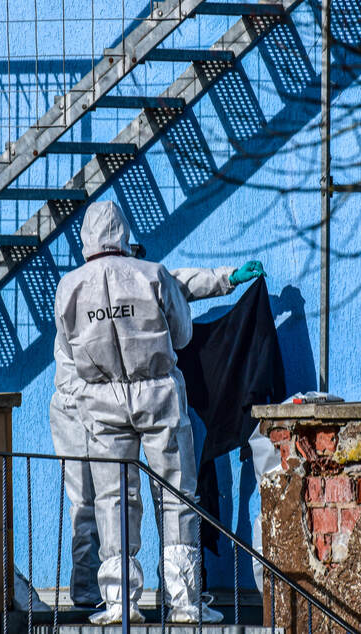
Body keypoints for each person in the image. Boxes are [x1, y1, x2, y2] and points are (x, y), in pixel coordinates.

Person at [52, 200, 264, 624]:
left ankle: (119, 603)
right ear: (123, 232)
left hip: (101, 401)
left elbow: (69, 352)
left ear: (86, 237)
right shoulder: (150, 274)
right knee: (177, 494)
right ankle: (184, 601)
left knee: (113, 500)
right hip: (157, 395)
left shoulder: (70, 287)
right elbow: (182, 334)